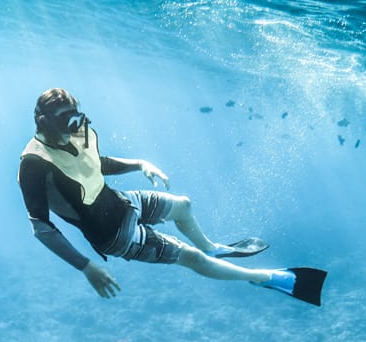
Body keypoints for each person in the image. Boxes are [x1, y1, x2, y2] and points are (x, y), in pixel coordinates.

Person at [18, 88, 326, 305]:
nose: (73, 127)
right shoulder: (33, 164)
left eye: (76, 118)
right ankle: (262, 277)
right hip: (113, 235)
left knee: (183, 205)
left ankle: (213, 249)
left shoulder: (73, 133)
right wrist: (86, 266)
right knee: (190, 258)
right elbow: (41, 228)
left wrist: (140, 163)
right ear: (44, 123)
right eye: (64, 121)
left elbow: (94, 164)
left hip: (123, 201)